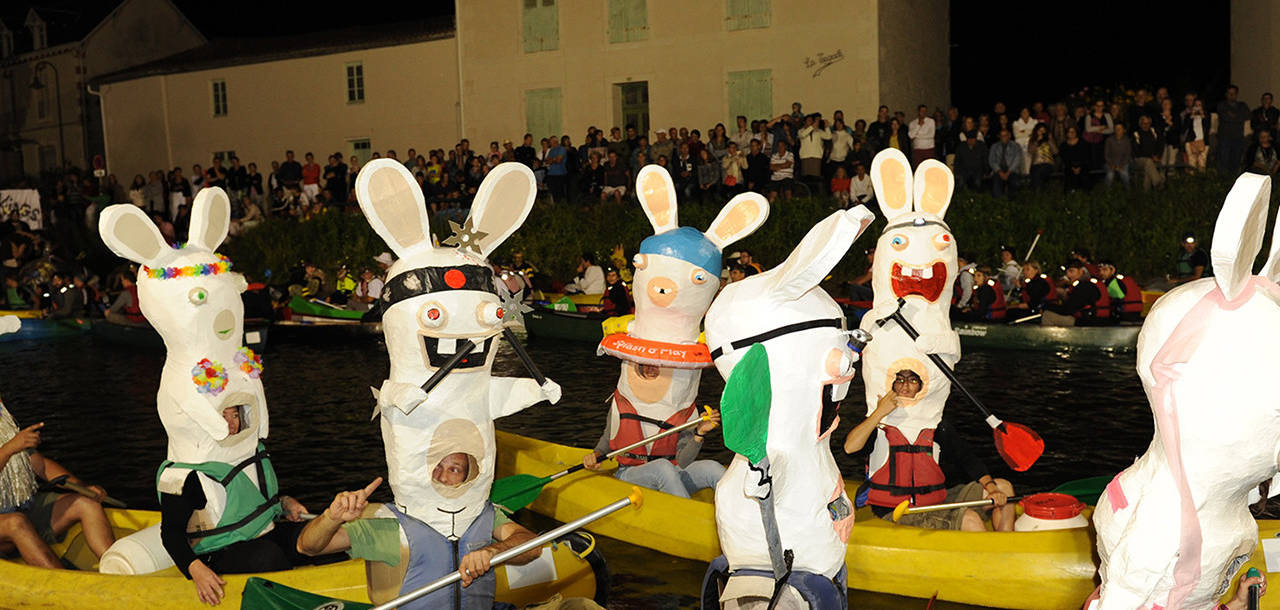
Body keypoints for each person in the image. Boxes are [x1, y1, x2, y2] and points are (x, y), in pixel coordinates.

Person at [295, 457, 542, 607]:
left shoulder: (481, 514)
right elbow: (307, 547)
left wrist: (492, 551)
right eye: (435, 467)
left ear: (467, 478)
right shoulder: (387, 523)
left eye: (454, 469)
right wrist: (330, 517)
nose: (442, 477)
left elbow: (532, 545)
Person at [162, 405, 324, 606]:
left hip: (260, 532)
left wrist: (283, 503)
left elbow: (248, 503)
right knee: (269, 557)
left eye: (236, 415)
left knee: (320, 533)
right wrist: (196, 569)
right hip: (217, 550)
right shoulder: (186, 472)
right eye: (223, 416)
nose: (231, 424)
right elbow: (170, 533)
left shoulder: (244, 454)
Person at [843, 369, 1015, 532]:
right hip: (895, 510)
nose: (905, 386)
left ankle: (1007, 548)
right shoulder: (878, 423)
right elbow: (850, 448)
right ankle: (986, 558)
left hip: (934, 500)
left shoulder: (933, 423)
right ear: (892, 385)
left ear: (920, 386)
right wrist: (879, 412)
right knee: (970, 520)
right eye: (900, 380)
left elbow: (966, 458)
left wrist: (991, 488)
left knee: (1004, 487)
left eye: (912, 380)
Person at [0, 402, 115, 568]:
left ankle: (116, 568)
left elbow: (40, 465)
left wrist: (82, 487)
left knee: (87, 503)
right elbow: (11, 449)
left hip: (23, 507)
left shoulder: (4, 420)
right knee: (16, 523)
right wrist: (10, 448)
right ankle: (65, 584)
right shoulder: (11, 443)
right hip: (10, 522)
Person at [583, 388, 723, 499]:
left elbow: (683, 461)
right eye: (644, 365)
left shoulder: (684, 410)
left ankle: (739, 519)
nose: (652, 369)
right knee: (662, 468)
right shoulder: (623, 401)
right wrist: (596, 455)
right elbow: (608, 438)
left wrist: (699, 433)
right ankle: (691, 524)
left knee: (712, 468)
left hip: (671, 470)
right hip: (629, 471)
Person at [1042, 261, 1110, 327]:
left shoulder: (1085, 287)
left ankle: (1049, 338)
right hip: (1093, 320)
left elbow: (1067, 310)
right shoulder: (1088, 283)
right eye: (1067, 272)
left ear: (1081, 271)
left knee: (1048, 315)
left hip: (1090, 322)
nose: (1068, 275)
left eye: (1071, 271)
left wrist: (1046, 307)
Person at [988, 128, 1021, 199]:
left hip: (1011, 170)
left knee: (1015, 182)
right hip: (998, 170)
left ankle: (1012, 202)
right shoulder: (994, 146)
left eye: (1005, 135)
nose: (1004, 137)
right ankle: (998, 202)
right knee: (996, 183)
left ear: (1009, 136)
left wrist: (1008, 172)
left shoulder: (1016, 146)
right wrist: (1000, 172)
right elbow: (991, 160)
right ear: (999, 136)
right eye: (1002, 136)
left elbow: (1017, 160)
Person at [1104, 123, 1132, 188]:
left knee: (1124, 174)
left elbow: (1128, 155)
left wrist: (1122, 165)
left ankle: (1128, 192)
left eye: (1119, 128)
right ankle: (1107, 193)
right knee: (1110, 175)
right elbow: (1106, 154)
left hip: (1123, 163)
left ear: (1123, 130)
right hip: (1111, 163)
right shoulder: (1109, 140)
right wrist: (1111, 164)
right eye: (1116, 128)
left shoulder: (1127, 140)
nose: (1118, 130)